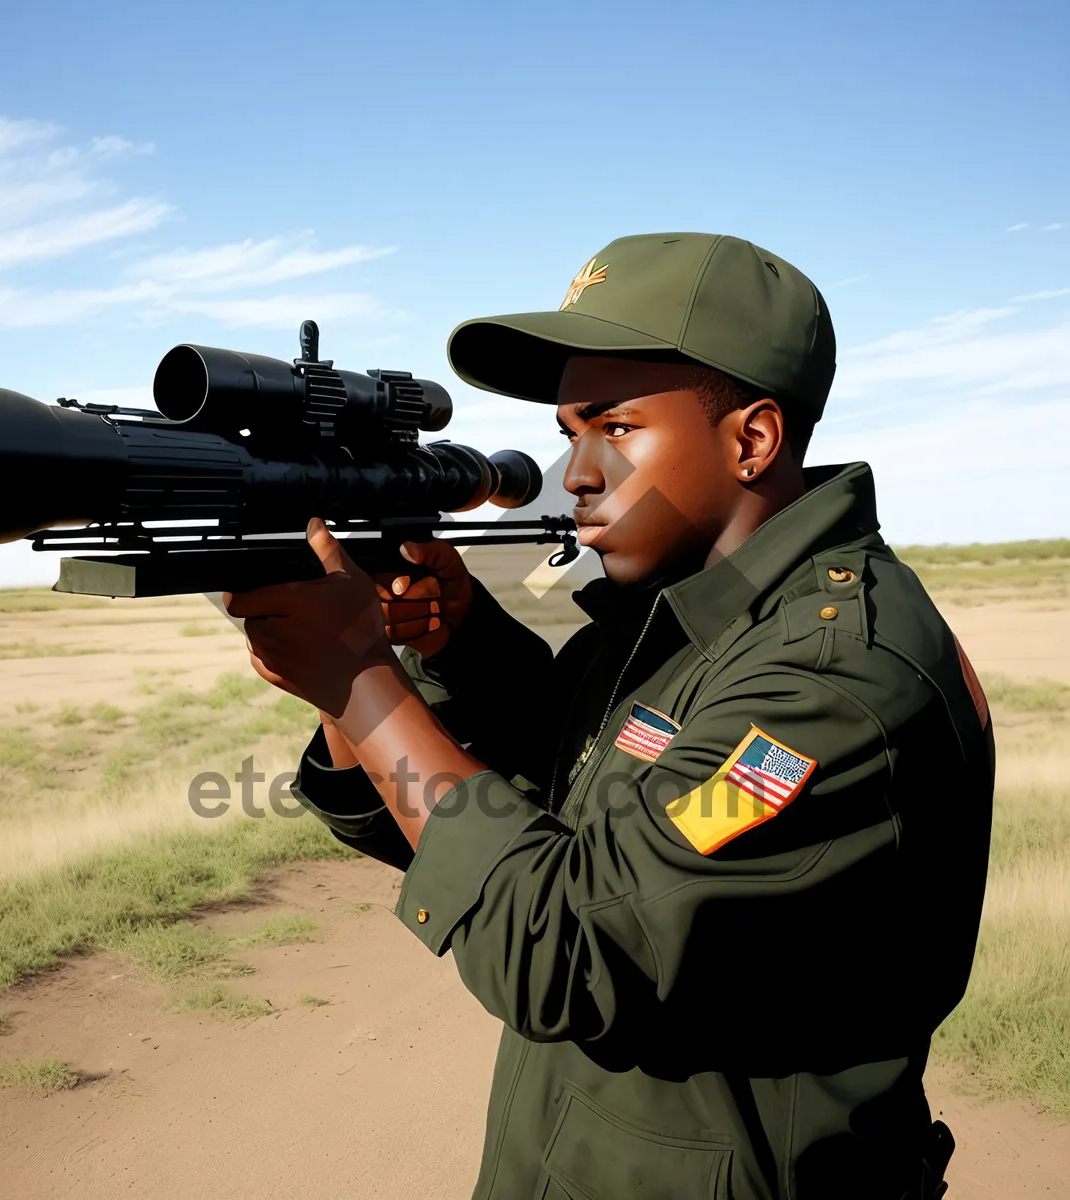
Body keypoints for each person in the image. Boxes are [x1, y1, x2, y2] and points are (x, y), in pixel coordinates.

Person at [225, 233, 993, 1200]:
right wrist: (449, 641)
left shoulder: (831, 682)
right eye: (568, 434)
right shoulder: (681, 617)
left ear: (750, 440)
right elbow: (539, 793)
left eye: (617, 428)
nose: (578, 473)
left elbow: (567, 939)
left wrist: (361, 682)